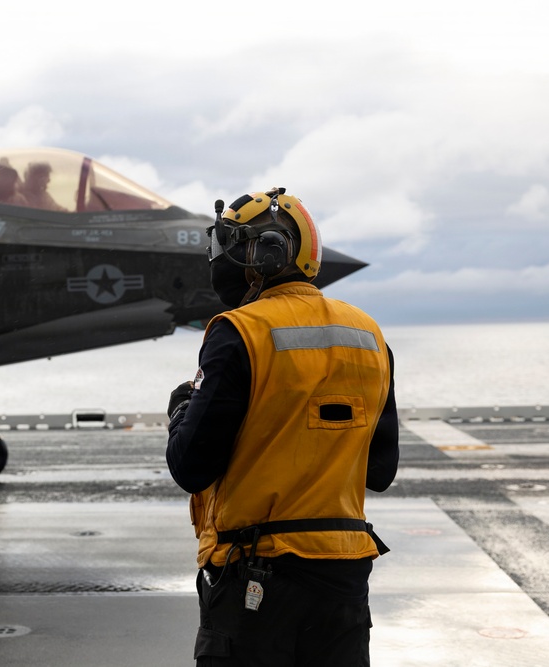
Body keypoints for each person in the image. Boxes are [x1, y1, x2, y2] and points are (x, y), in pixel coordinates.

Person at [166, 188, 399, 666]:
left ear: (260, 254)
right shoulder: (370, 335)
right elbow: (380, 471)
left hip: (256, 580)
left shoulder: (239, 331)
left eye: (227, 246)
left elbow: (190, 466)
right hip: (344, 582)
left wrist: (180, 414)